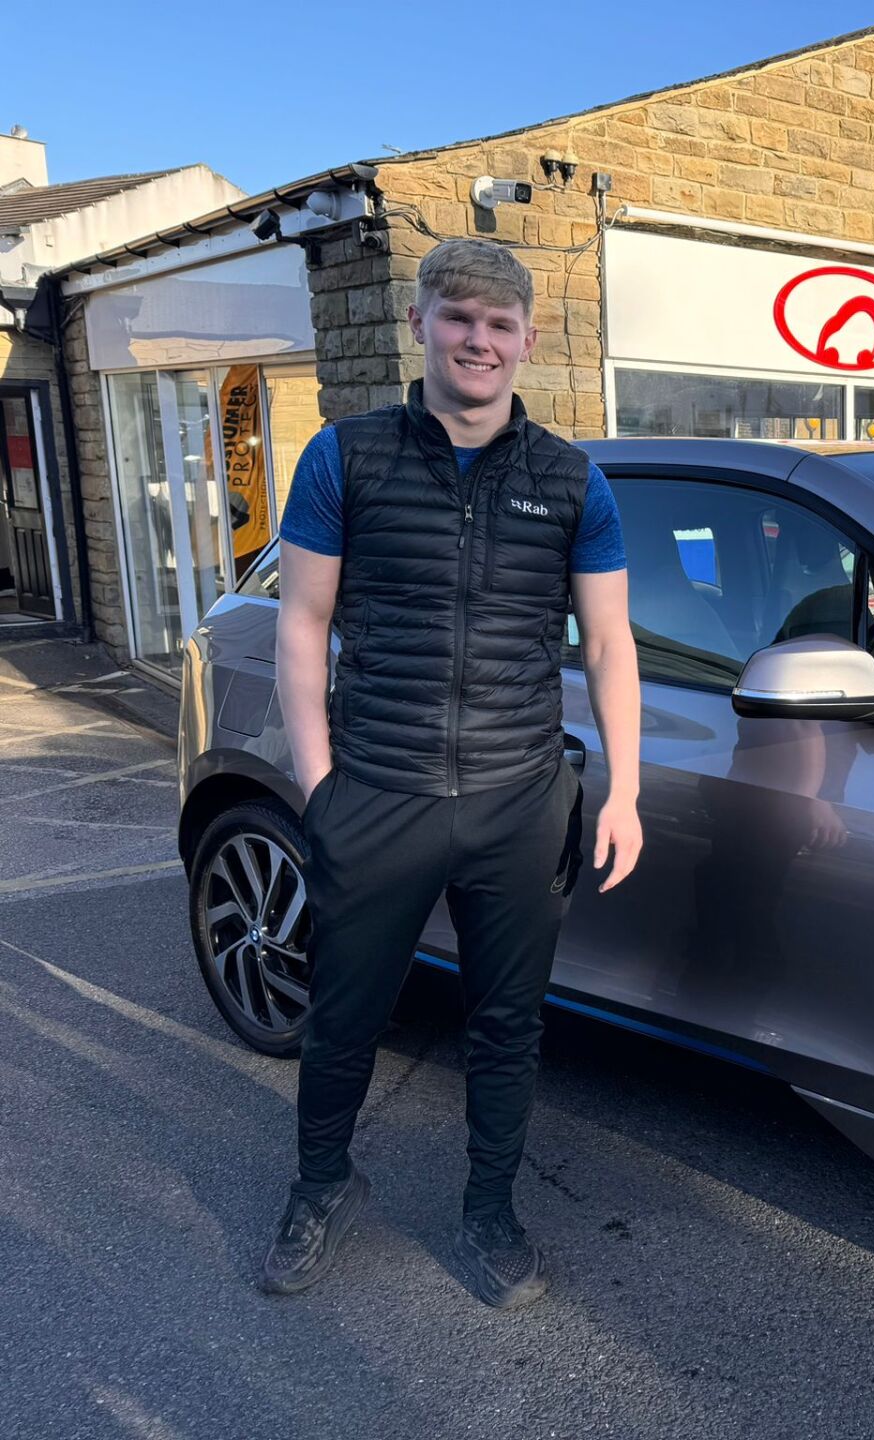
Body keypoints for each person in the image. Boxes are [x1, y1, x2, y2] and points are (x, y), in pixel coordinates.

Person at [261, 238, 643, 1310]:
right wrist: (321, 785)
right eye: (460, 316)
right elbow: (303, 625)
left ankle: (489, 1213)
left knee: (507, 1022)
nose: (480, 339)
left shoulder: (572, 481)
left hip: (522, 799)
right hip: (377, 788)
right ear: (422, 323)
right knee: (344, 1012)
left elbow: (610, 645)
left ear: (526, 341)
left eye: (501, 323)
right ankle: (322, 1184)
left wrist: (625, 791)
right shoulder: (347, 458)